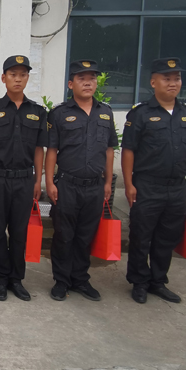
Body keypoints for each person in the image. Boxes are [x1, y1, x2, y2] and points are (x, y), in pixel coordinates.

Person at [122, 58, 186, 305]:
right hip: (147, 185)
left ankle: (158, 281)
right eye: (167, 78)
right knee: (141, 236)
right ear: (153, 82)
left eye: (177, 78)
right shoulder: (141, 114)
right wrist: (129, 184)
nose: (173, 83)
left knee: (167, 237)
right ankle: (139, 282)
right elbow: (128, 150)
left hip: (176, 187)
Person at [45, 60, 118, 302]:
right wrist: (49, 183)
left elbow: (109, 150)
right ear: (70, 84)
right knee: (63, 235)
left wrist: (107, 182)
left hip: (95, 186)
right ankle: (61, 281)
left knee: (86, 235)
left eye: (92, 78)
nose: (88, 83)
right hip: (67, 185)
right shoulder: (59, 113)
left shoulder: (105, 112)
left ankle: (80, 280)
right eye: (81, 78)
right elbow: (52, 150)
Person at [0, 55, 47, 302]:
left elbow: (39, 149)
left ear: (27, 78)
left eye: (23, 75)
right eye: (13, 74)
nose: (18, 79)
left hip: (24, 180)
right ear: (3, 78)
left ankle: (16, 279)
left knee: (20, 231)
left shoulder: (38, 112)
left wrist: (38, 181)